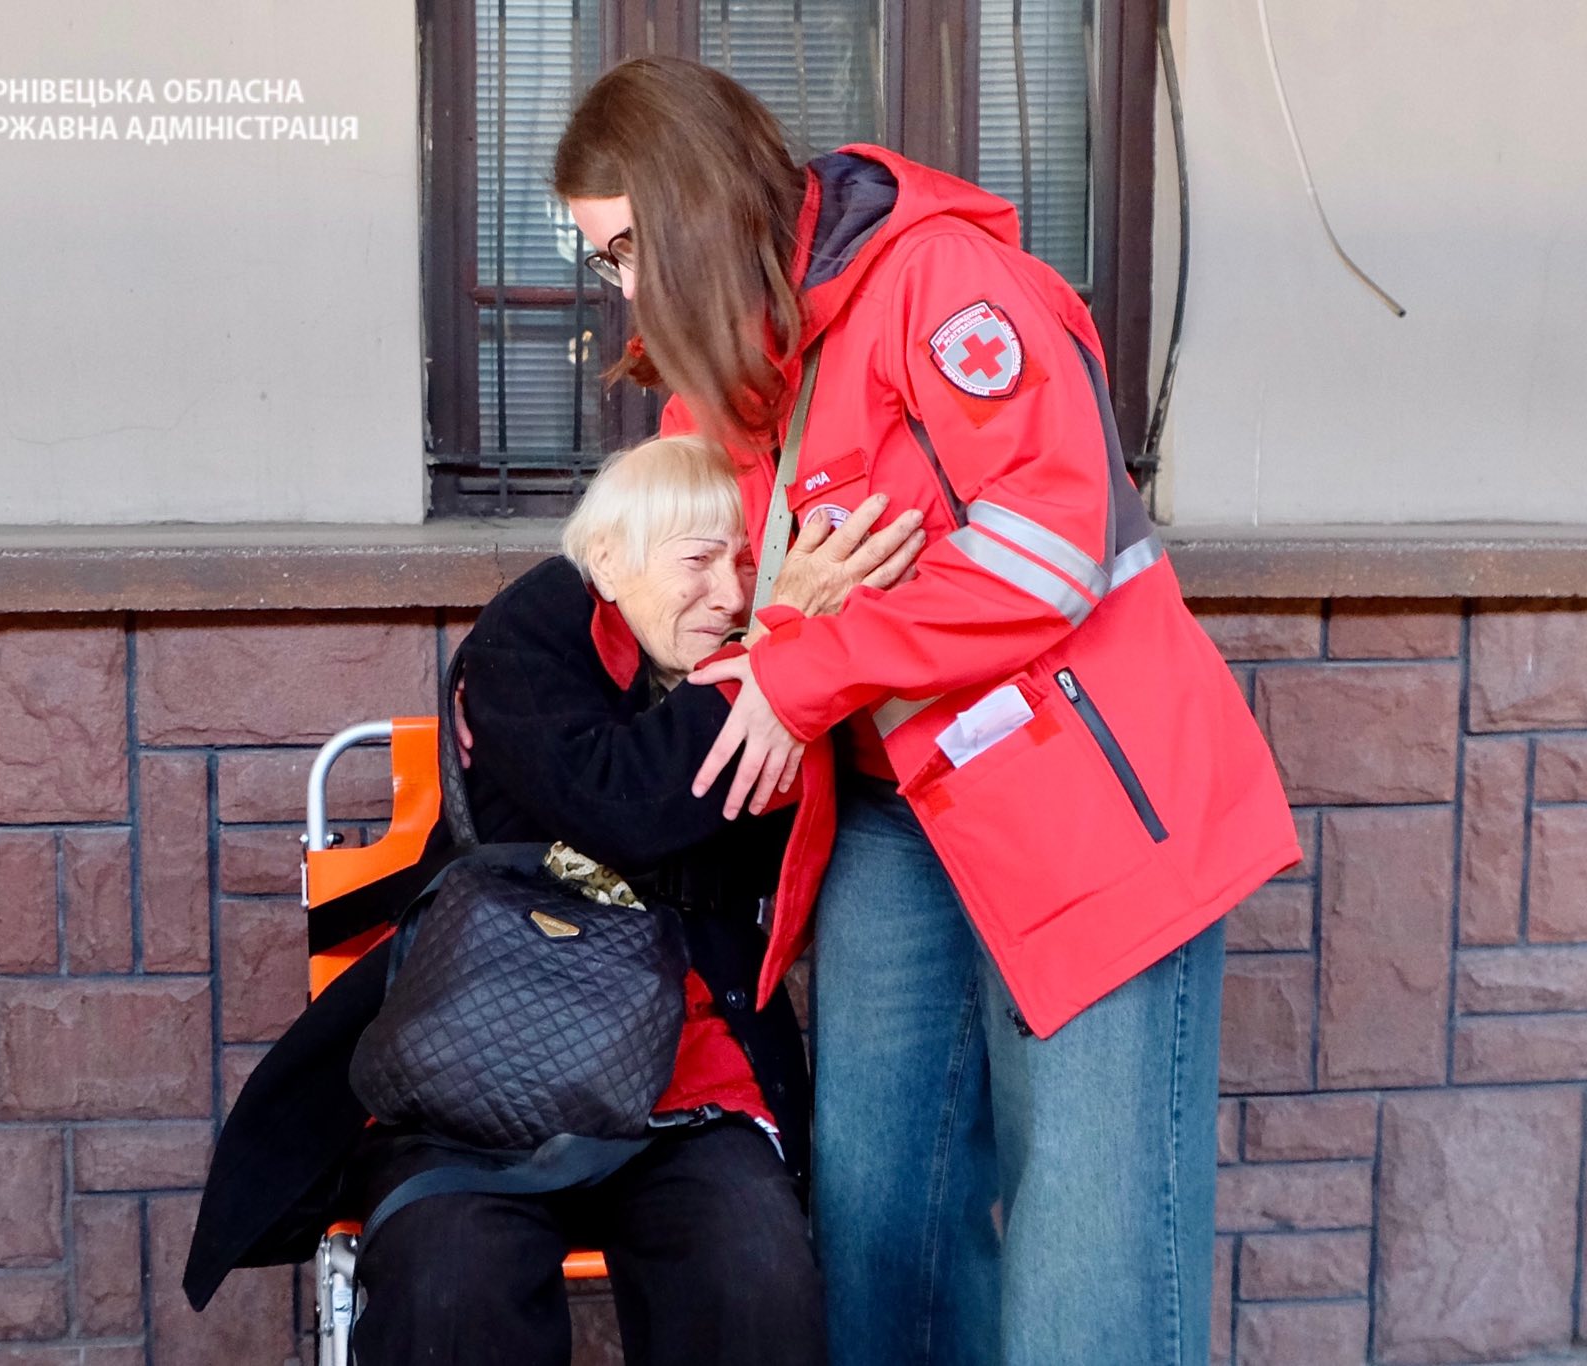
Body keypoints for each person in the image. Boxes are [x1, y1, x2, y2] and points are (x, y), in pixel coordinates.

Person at [553, 58, 1302, 1366]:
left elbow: (1044, 554)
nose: (620, 287)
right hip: (893, 818)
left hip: (1088, 807)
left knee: (1087, 1274)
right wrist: (786, 625)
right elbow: (718, 624)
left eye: (623, 248)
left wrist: (805, 654)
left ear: (685, 210)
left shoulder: (939, 284)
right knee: (877, 1241)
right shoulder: (725, 383)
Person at [182, 434, 922, 1366]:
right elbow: (618, 804)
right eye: (699, 561)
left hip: (687, 1078)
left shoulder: (766, 676)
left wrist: (782, 669)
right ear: (608, 562)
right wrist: (775, 654)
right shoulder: (535, 632)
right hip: (481, 1061)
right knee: (451, 1288)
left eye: (746, 568)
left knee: (755, 1276)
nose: (731, 597)